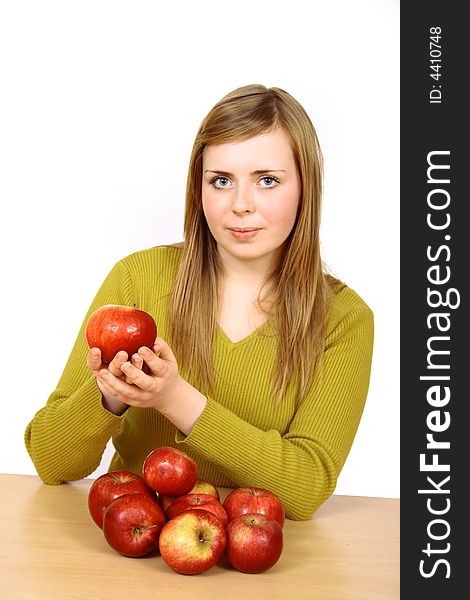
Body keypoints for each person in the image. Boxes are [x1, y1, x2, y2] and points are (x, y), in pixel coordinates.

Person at [24, 84, 374, 521]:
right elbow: (50, 461)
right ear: (199, 188)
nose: (241, 205)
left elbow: (305, 489)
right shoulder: (138, 278)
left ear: (306, 187)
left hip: (255, 571)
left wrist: (175, 398)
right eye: (221, 181)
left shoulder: (344, 319)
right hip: (134, 553)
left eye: (267, 180)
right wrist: (111, 395)